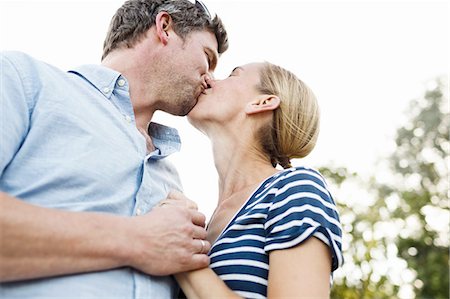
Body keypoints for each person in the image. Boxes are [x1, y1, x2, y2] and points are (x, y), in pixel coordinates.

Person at [0, 0, 228, 297]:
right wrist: (139, 239)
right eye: (207, 57)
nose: (210, 78)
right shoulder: (25, 81)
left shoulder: (173, 182)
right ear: (165, 27)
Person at [172, 62, 344, 298]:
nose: (210, 78)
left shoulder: (295, 189)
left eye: (233, 74)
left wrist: (183, 252)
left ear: (262, 102)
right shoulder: (202, 223)